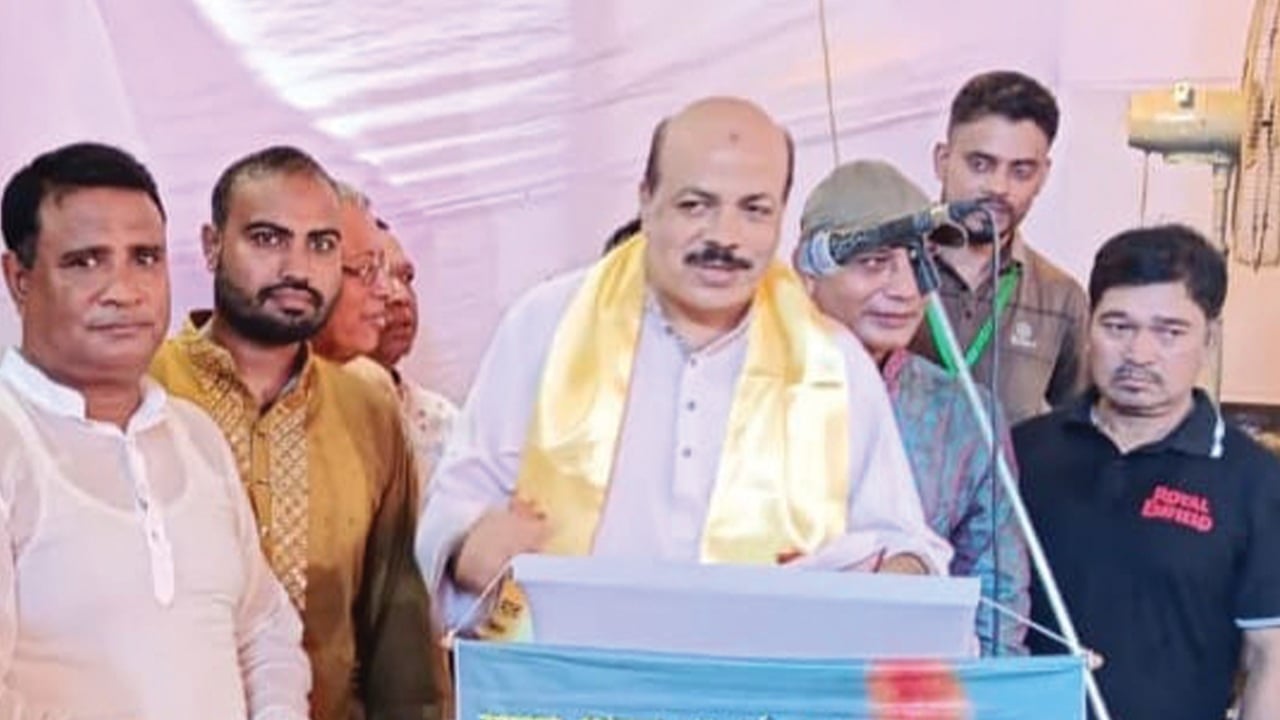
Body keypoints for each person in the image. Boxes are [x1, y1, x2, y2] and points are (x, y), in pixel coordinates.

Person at [417, 97, 951, 633]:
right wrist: (467, 544)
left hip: (757, 675)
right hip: (570, 671)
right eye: (696, 205)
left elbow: (902, 542)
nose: (725, 236)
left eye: (754, 210)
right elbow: (452, 507)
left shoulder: (832, 364)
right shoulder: (546, 326)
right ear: (646, 201)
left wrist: (900, 573)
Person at [0, 142, 309, 717]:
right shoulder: (11, 441)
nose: (124, 290)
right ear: (19, 278)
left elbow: (264, 631)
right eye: (85, 261)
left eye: (145, 258)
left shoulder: (194, 437)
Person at [149, 145, 443, 720]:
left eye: (322, 245)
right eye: (267, 238)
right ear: (212, 245)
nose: (298, 269)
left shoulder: (366, 407)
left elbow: (397, 625)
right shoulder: (145, 389)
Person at [1015, 224, 1280, 720]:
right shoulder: (1024, 453)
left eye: (1169, 332)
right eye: (1117, 326)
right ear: (1089, 326)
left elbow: (1271, 657)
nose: (1138, 354)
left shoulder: (1255, 481)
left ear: (1210, 338)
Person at [796, 159, 1029, 655]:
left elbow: (997, 598)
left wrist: (988, 691)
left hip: (910, 681)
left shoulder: (964, 414)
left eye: (919, 262)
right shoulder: (752, 388)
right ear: (809, 269)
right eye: (875, 262)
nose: (906, 290)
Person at [909, 70, 1088, 424]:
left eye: (1021, 171)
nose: (998, 187)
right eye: (980, 164)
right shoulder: (885, 270)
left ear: (1043, 176)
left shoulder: (1060, 299)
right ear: (942, 161)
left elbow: (1075, 432)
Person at [367, 223, 458, 480]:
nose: (400, 297)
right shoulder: (293, 424)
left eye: (406, 278)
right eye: (372, 275)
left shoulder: (442, 423)